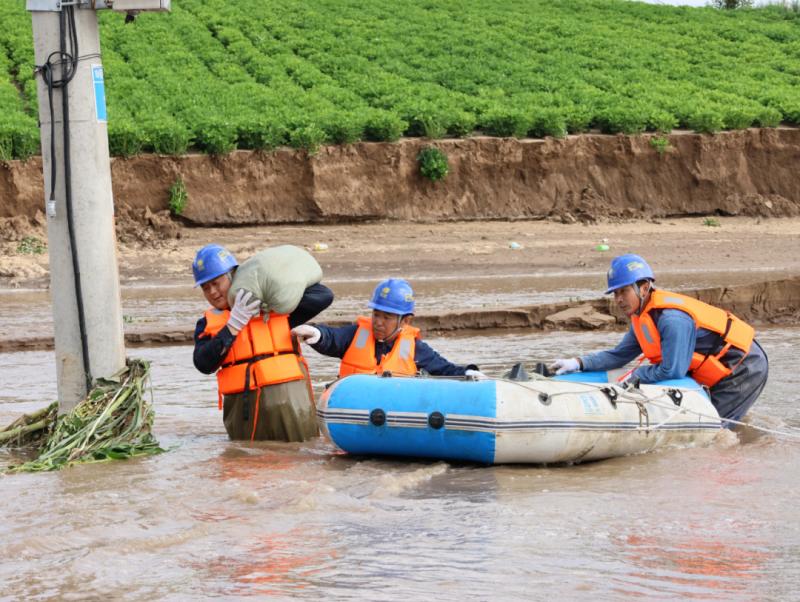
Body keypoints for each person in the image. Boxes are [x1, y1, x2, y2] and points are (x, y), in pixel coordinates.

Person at [550, 254, 768, 426]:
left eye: (624, 291)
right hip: (718, 367)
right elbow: (618, 356)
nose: (618, 300)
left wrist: (636, 375)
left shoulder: (672, 319)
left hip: (743, 366)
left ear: (644, 288)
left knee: (713, 426)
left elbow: (672, 371)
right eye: (615, 293)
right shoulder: (642, 317)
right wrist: (578, 363)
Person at [192, 243, 333, 442]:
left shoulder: (278, 307)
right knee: (248, 460)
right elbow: (203, 363)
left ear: (233, 275)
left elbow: (323, 295)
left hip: (293, 408)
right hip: (244, 414)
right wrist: (233, 326)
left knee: (300, 456)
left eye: (216, 283)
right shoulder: (207, 323)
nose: (213, 292)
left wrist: (263, 293)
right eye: (206, 288)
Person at [292, 278, 484, 379]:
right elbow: (333, 337)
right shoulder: (357, 335)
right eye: (376, 314)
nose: (378, 322)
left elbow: (444, 369)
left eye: (387, 317)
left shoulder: (415, 348)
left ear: (405, 321)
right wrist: (316, 333)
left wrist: (468, 373)